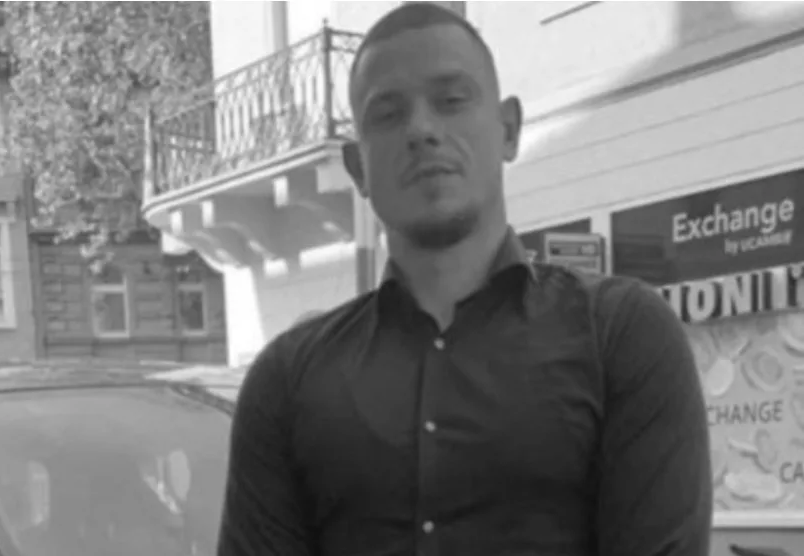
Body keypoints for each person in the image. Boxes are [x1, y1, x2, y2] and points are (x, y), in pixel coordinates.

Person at [218, 3, 712, 556]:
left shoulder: (622, 337)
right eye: (388, 114)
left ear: (508, 130)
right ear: (357, 168)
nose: (421, 130)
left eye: (451, 100)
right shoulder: (286, 383)